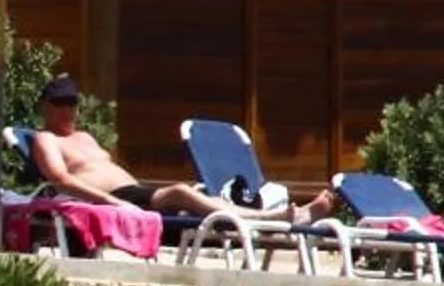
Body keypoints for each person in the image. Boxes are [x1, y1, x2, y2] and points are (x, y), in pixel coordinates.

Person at [27, 77, 334, 222]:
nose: (68, 111)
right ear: (46, 107)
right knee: (180, 192)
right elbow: (61, 180)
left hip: (134, 193)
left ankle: (291, 216)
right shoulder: (46, 140)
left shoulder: (85, 137)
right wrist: (114, 203)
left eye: (72, 103)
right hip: (115, 202)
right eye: (60, 104)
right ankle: (272, 219)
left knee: (203, 197)